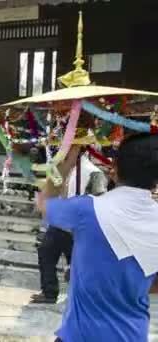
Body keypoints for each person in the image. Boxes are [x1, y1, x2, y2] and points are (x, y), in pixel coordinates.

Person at [37, 134, 158, 342]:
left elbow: (44, 203)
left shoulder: (87, 209)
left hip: (82, 334)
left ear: (115, 169)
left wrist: (68, 160)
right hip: (132, 334)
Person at [31, 153, 108, 304]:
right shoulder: (60, 168)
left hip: (78, 227)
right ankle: (49, 292)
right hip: (59, 223)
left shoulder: (93, 172)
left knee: (78, 264)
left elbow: (99, 199)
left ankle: (83, 297)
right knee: (46, 252)